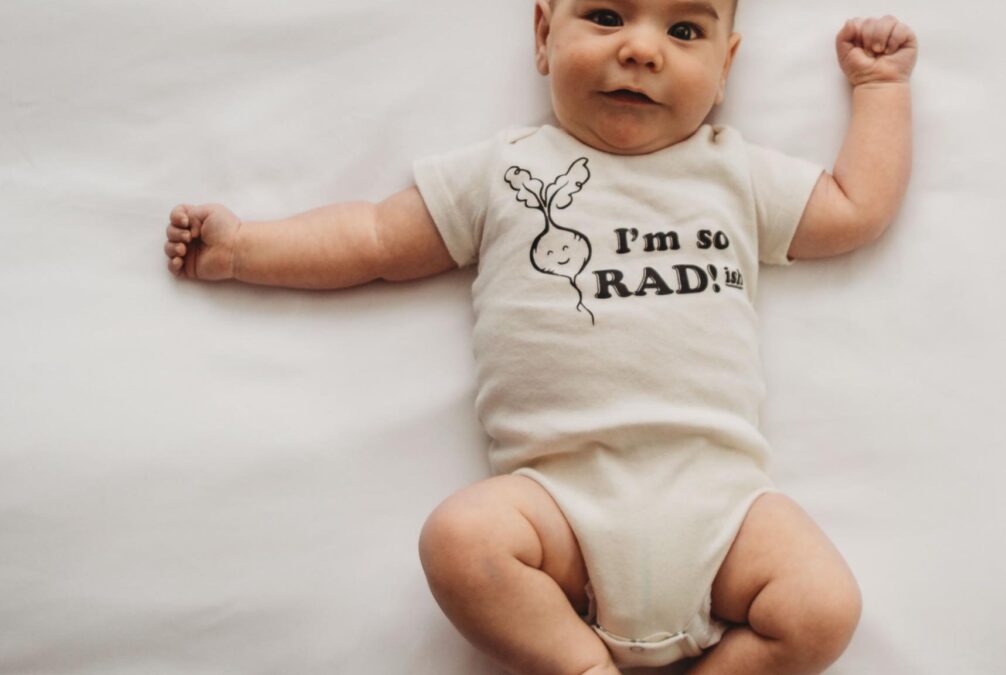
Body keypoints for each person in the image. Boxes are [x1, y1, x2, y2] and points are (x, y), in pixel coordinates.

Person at [162, 1, 917, 673]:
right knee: (459, 539)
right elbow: (373, 237)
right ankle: (578, 662)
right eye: (607, 17)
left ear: (725, 67)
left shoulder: (735, 176)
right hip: (559, 503)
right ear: (542, 33)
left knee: (823, 609)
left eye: (684, 29)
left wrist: (879, 90)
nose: (643, 49)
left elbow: (854, 209)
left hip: (721, 504)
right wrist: (243, 249)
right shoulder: (505, 170)